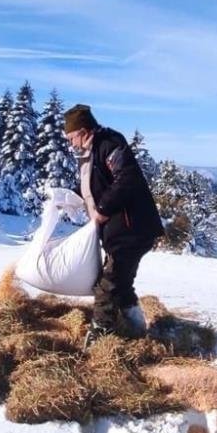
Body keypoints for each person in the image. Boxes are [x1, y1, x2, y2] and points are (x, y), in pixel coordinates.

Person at [63, 104, 164, 344]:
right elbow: (96, 185)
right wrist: (72, 197)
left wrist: (103, 209)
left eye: (72, 137)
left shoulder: (109, 144)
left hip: (132, 228)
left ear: (85, 131)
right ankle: (136, 327)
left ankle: (100, 336)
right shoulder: (90, 152)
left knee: (107, 284)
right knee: (121, 281)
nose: (71, 144)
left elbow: (127, 178)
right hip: (120, 231)